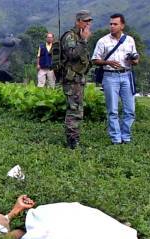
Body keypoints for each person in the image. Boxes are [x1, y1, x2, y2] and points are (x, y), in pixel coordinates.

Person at [92, 13, 139, 145]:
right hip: (110, 76)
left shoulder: (130, 40)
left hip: (127, 75)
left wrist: (133, 60)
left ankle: (126, 136)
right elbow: (95, 59)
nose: (112, 26)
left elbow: (136, 59)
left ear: (122, 25)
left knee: (130, 110)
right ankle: (116, 139)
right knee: (112, 110)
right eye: (111, 24)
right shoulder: (102, 41)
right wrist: (108, 62)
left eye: (115, 24)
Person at [60, 10, 93, 149]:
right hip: (72, 80)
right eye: (86, 21)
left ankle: (74, 140)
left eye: (89, 21)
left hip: (78, 79)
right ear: (78, 21)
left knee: (77, 109)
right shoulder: (70, 36)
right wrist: (84, 41)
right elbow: (72, 54)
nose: (88, 24)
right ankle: (72, 142)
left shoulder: (78, 37)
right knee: (74, 110)